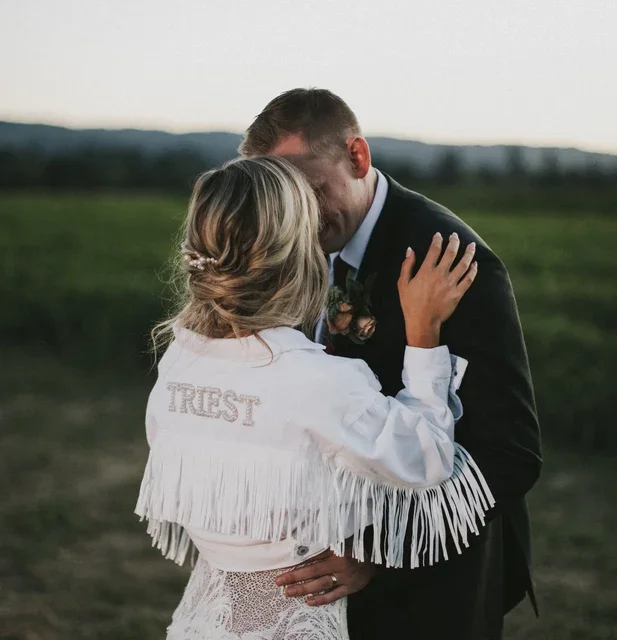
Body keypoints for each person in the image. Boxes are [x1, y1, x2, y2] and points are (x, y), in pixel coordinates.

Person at [135, 155, 493, 639]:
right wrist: (423, 333)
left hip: (206, 619)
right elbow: (424, 456)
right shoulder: (320, 381)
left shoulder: (180, 355)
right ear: (298, 257)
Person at [239, 89, 543, 640]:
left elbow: (511, 453)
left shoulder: (449, 259)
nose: (297, 218)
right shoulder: (291, 241)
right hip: (313, 563)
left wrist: (379, 550)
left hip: (429, 583)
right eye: (282, 198)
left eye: (310, 190)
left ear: (357, 157)